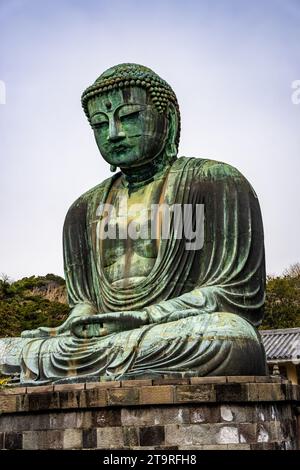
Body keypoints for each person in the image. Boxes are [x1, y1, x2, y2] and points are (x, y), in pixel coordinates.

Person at [0, 63, 267, 384]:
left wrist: (146, 316)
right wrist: (75, 323)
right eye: (100, 124)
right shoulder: (83, 210)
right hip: (106, 340)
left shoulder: (215, 181)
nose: (113, 133)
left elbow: (236, 295)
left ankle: (84, 371)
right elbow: (86, 301)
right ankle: (102, 368)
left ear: (167, 120)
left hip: (175, 329)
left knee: (230, 338)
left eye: (127, 117)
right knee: (9, 350)